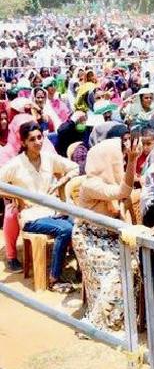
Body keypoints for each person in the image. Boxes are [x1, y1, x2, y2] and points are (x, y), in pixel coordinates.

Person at [72, 136, 141, 333]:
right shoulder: (90, 184)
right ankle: (103, 321)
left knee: (135, 263)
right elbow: (122, 192)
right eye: (120, 158)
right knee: (115, 274)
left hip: (110, 236)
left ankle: (124, 315)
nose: (122, 161)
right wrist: (134, 161)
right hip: (89, 238)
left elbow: (125, 202)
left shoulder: (113, 179)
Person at [0, 120, 78, 290]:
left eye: (40, 137)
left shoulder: (48, 158)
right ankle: (54, 279)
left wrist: (60, 182)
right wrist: (18, 197)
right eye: (32, 139)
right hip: (31, 216)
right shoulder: (16, 164)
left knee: (78, 224)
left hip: (53, 209)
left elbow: (75, 168)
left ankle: (82, 271)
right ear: (23, 143)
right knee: (65, 229)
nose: (38, 142)